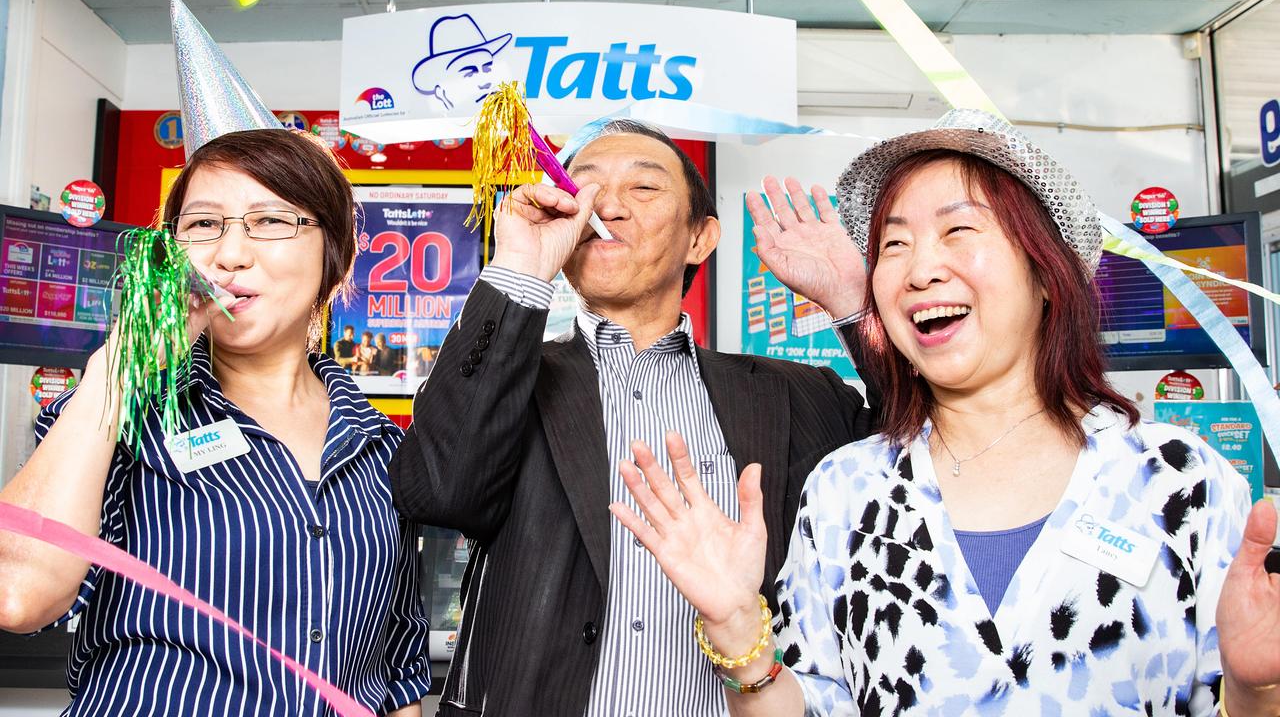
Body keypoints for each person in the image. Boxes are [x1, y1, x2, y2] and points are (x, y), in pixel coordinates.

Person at [611, 109, 1280, 716]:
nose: (920, 268)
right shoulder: (848, 490)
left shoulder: (1182, 483)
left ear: (1046, 272)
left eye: (959, 230)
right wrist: (737, 629)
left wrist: (1257, 691)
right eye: (894, 245)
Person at [388, 119, 881, 716]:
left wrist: (856, 305)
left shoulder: (798, 394)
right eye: (586, 188)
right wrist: (522, 265)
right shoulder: (513, 382)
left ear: (700, 239)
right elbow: (437, 493)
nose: (609, 207)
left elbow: (933, 459)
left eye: (644, 189)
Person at [0, 129, 432, 716]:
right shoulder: (122, 416)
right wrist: (116, 370)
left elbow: (397, 669)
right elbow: (19, 596)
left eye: (271, 221)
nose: (230, 254)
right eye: (203, 226)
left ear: (335, 254)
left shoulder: (383, 446)